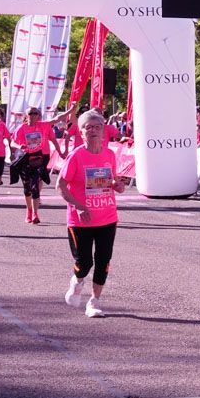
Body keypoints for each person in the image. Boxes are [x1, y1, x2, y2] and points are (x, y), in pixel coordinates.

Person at [57, 110, 128, 318]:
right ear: (81, 132)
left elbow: (110, 180)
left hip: (107, 217)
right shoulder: (76, 156)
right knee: (84, 262)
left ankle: (94, 302)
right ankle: (77, 281)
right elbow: (60, 186)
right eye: (89, 127)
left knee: (103, 260)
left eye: (98, 127)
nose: (94, 131)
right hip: (81, 220)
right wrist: (79, 206)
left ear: (104, 131)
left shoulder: (109, 154)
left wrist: (117, 186)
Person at [12, 107, 63, 225]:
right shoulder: (22, 128)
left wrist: (71, 110)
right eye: (31, 113)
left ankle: (35, 213)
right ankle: (29, 211)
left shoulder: (44, 125)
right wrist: (20, 147)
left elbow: (57, 120)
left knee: (35, 185)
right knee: (27, 188)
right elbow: (12, 142)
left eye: (36, 113)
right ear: (26, 115)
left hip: (39, 158)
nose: (34, 115)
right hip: (26, 160)